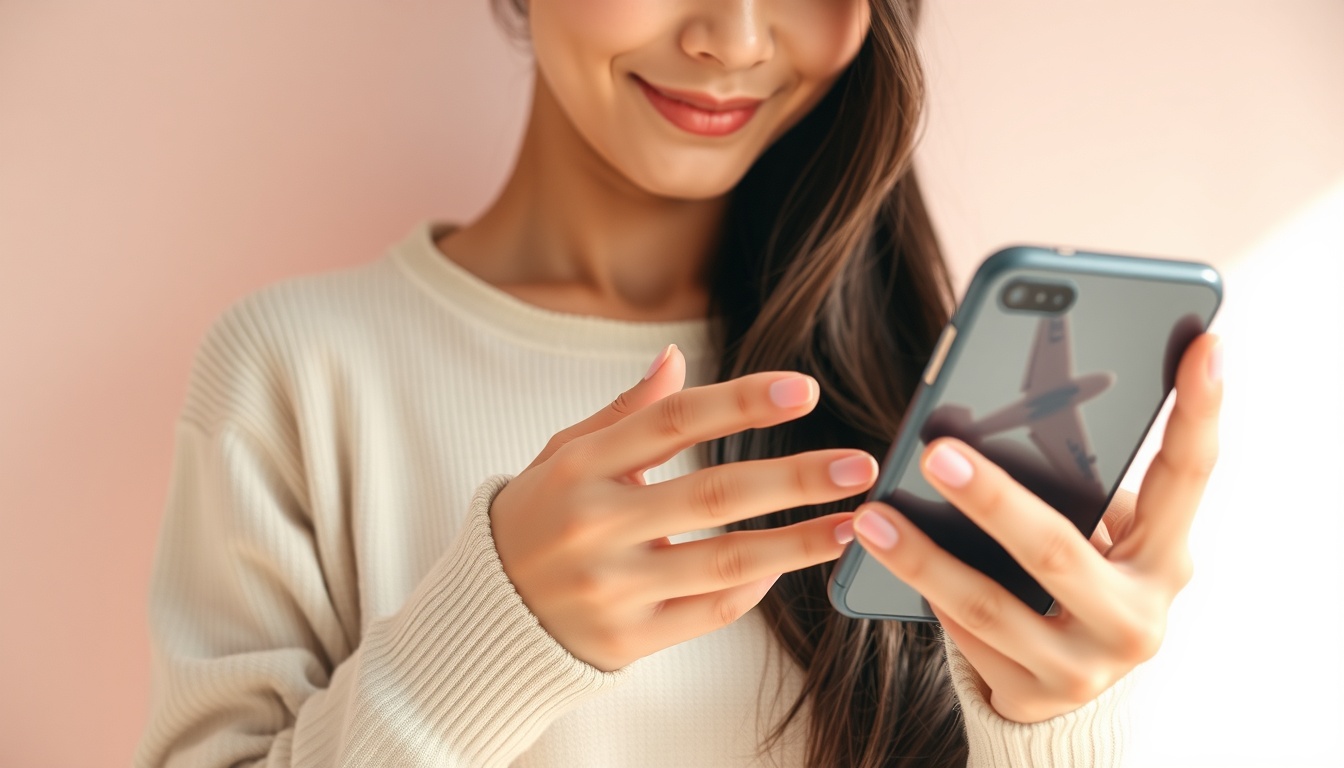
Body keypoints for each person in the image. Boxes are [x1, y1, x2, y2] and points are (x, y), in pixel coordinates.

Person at [134, 0, 1224, 765]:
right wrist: (486, 638)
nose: (734, 38)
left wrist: (1061, 728)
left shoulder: (931, 405)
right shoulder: (302, 368)